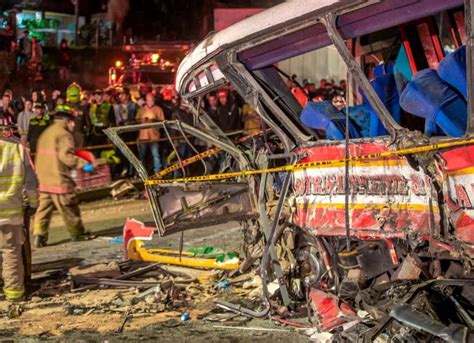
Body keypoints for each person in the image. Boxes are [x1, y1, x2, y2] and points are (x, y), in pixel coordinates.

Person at [33, 108, 94, 247]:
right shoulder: (64, 134)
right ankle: (77, 233)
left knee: (43, 209)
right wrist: (83, 164)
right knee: (69, 207)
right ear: (67, 121)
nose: (74, 125)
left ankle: (39, 235)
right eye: (73, 121)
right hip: (58, 178)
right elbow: (66, 156)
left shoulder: (46, 132)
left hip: (42, 178)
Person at [0, 122, 38, 301]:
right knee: (10, 252)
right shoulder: (17, 148)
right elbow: (31, 183)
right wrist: (33, 204)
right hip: (10, 211)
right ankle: (14, 294)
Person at [136, 92, 164, 173]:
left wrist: (153, 121)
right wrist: (142, 120)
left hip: (154, 137)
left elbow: (162, 122)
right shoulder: (141, 109)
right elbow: (136, 120)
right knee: (142, 155)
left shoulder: (158, 109)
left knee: (156, 155)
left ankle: (157, 172)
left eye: (151, 100)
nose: (150, 102)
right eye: (148, 100)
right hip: (143, 136)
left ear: (154, 100)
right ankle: (143, 172)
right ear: (146, 101)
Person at [88, 89, 116, 153]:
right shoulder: (91, 107)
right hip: (94, 133)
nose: (97, 96)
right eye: (96, 95)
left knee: (105, 153)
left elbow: (112, 120)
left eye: (99, 95)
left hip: (105, 133)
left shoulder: (108, 106)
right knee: (95, 153)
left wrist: (111, 134)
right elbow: (89, 121)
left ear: (103, 96)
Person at [66, 83, 90, 148]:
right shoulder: (83, 108)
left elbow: (88, 123)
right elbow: (88, 123)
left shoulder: (83, 107)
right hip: (72, 135)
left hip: (76, 134)